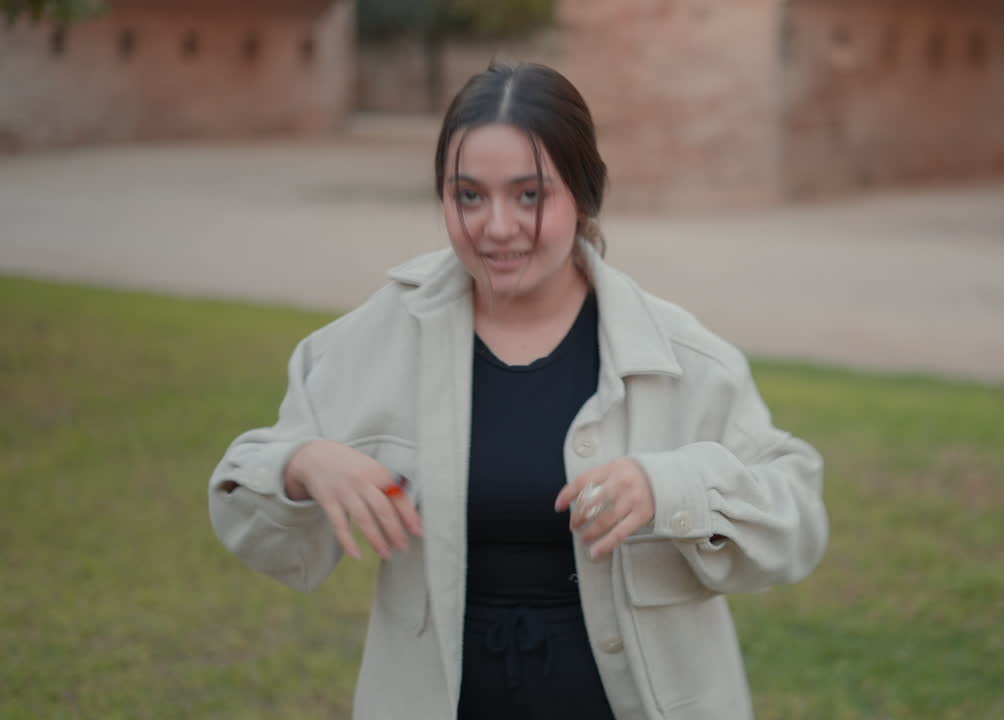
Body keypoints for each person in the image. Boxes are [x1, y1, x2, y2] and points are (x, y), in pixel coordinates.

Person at [208, 61, 828, 720]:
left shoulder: (680, 355)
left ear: (584, 194)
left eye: (530, 195)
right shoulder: (373, 340)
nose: (497, 227)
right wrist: (302, 465)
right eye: (469, 196)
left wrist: (669, 487)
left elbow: (796, 525)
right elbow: (246, 520)